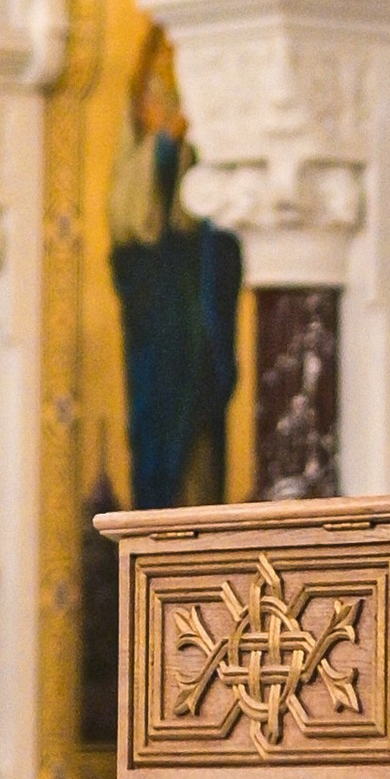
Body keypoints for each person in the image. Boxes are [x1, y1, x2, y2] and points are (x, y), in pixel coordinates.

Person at [106, 30, 240, 515]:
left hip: (195, 321)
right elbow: (131, 229)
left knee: (200, 426)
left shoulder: (206, 167)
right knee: (157, 432)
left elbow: (214, 233)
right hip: (155, 329)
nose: (159, 110)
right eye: (151, 99)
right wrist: (164, 149)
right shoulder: (137, 165)